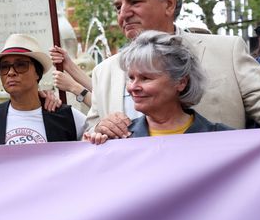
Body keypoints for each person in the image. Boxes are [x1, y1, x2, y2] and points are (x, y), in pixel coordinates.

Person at [88, 0, 260, 138]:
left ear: (169, 4)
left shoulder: (227, 51)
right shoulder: (103, 72)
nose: (123, 14)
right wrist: (99, 130)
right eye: (118, 7)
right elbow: (86, 137)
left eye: (135, 2)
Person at [85, 31, 231, 144]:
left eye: (145, 78)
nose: (133, 87)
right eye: (131, 78)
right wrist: (96, 144)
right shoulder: (117, 139)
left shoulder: (225, 139)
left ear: (181, 82)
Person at [0, 34, 85, 145]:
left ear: (37, 72)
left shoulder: (68, 117)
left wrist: (77, 89)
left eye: (21, 65)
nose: (11, 72)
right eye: (4, 67)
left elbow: (100, 128)